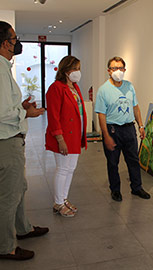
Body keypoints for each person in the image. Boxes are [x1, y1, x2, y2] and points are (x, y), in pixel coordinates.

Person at [0, 20, 49, 261]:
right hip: (4, 143)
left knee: (19, 189)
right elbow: (2, 114)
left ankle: (24, 229)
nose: (16, 42)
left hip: (7, 142)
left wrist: (20, 106)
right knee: (9, 198)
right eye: (14, 38)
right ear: (4, 43)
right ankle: (6, 247)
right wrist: (26, 113)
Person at [95, 56, 150, 202]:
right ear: (108, 71)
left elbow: (135, 107)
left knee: (133, 160)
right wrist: (105, 135)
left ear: (124, 70)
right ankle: (115, 190)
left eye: (121, 68)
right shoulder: (103, 90)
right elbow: (101, 115)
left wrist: (141, 125)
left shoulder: (129, 86)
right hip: (112, 130)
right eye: (114, 68)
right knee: (113, 162)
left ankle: (137, 188)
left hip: (129, 129)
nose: (118, 71)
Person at [45, 55, 87, 217]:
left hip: (75, 135)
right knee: (62, 169)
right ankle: (58, 203)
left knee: (70, 169)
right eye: (75, 69)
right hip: (63, 137)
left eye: (79, 69)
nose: (78, 72)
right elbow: (53, 117)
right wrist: (60, 139)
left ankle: (63, 198)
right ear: (65, 70)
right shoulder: (56, 88)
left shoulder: (75, 87)